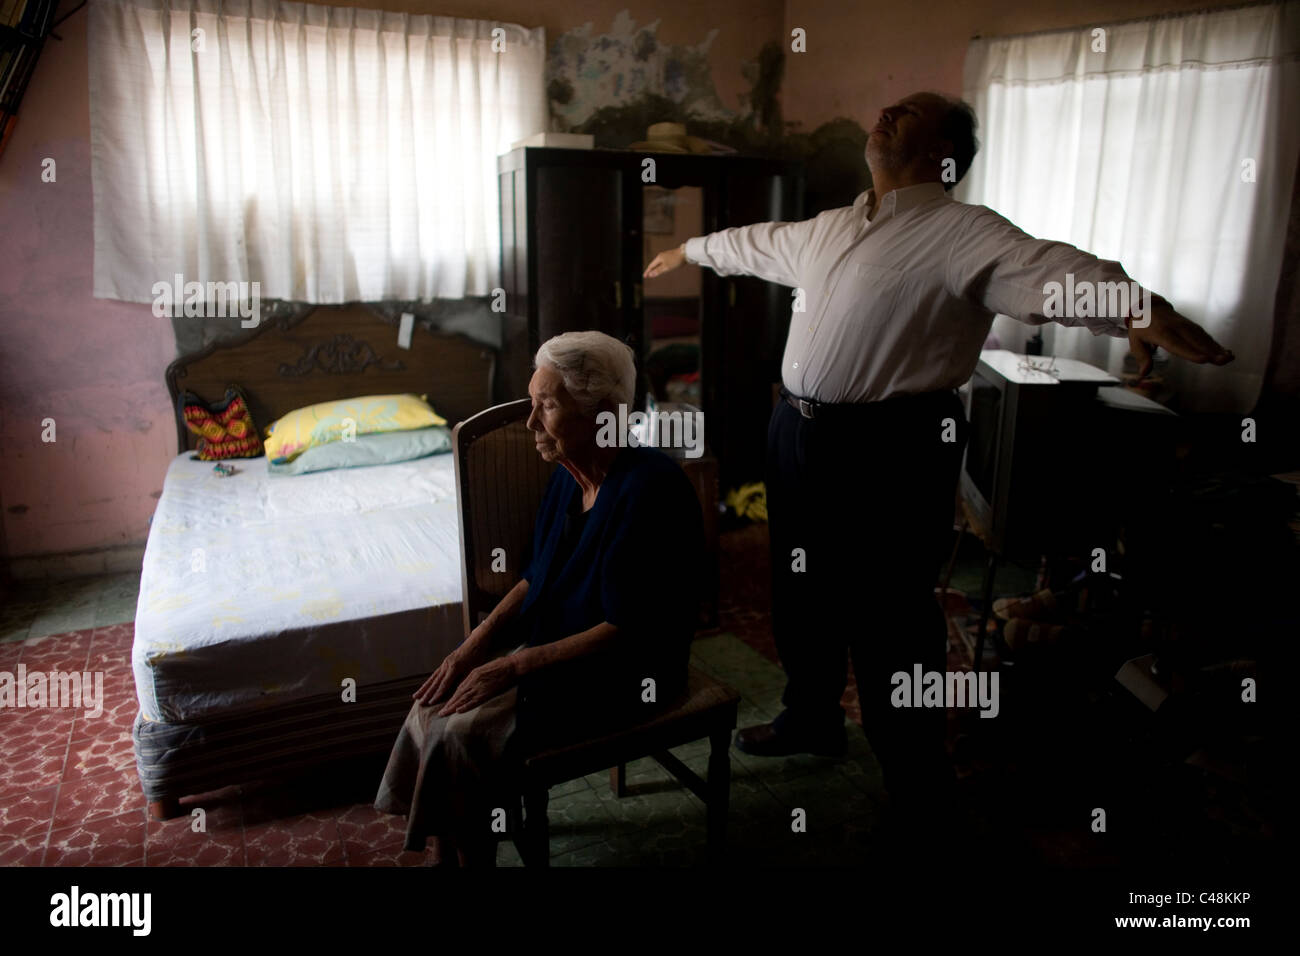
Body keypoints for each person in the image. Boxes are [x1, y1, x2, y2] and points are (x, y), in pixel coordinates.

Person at [643, 91, 1233, 830]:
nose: (886, 111)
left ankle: (916, 778)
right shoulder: (830, 226)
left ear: (941, 153)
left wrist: (1136, 307)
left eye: (911, 112)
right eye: (889, 106)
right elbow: (754, 243)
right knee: (800, 586)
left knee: (889, 612)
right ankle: (811, 717)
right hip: (795, 433)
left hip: (891, 447)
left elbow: (1052, 270)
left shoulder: (962, 233)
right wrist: (690, 250)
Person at [374, 330, 704, 866]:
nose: (530, 423)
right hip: (563, 649)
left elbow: (629, 629)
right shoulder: (569, 476)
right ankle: (449, 851)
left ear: (602, 414)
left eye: (545, 406)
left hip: (630, 672)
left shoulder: (651, 490)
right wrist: (472, 649)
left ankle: (468, 858)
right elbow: (536, 575)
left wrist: (512, 669)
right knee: (432, 703)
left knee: (462, 732)